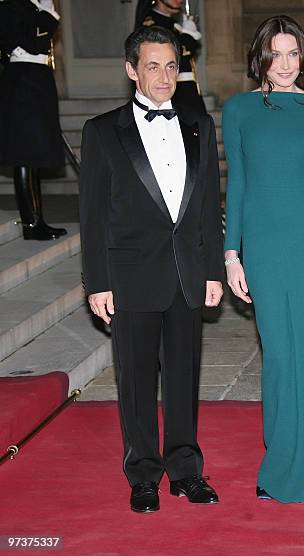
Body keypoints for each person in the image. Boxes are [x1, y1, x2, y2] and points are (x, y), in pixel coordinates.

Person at [79, 25, 224, 513]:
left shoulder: (198, 124)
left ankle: (186, 471)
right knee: (136, 381)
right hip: (130, 276)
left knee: (184, 378)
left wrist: (211, 271)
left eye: (171, 65)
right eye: (152, 66)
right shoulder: (102, 131)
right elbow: (92, 213)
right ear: (131, 71)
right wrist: (97, 281)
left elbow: (207, 205)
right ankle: (143, 474)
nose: (164, 76)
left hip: (186, 273)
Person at [223, 15, 304, 503]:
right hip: (264, 247)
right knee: (278, 355)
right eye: (276, 53)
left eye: (293, 53)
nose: (285, 64)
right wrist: (232, 255)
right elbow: (239, 185)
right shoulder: (238, 110)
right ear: (261, 57)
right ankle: (278, 462)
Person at [0, 0, 67, 240]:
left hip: (36, 80)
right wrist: (48, 14)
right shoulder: (10, 6)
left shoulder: (31, 6)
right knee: (24, 155)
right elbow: (33, 41)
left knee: (34, 155)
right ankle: (30, 223)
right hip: (23, 82)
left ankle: (37, 219)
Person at [134, 0, 207, 115]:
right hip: (169, 92)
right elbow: (171, 55)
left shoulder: (173, 24)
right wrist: (187, 37)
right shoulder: (151, 24)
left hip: (186, 92)